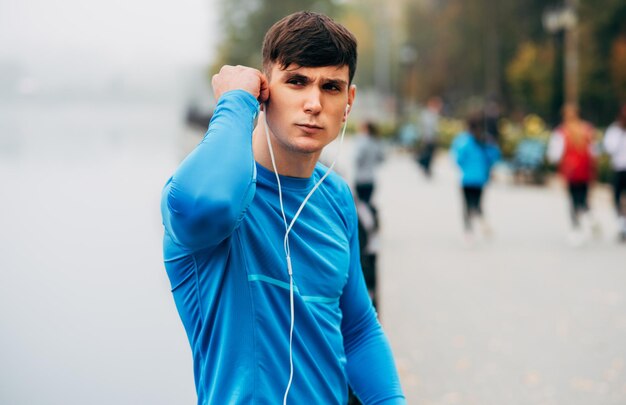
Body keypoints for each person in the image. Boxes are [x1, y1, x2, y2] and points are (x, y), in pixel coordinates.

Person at [160, 11, 405, 404]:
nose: (313, 103)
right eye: (296, 81)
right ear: (264, 90)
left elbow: (358, 329)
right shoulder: (216, 193)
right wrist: (235, 101)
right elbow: (204, 207)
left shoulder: (337, 197)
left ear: (349, 102)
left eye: (331, 87)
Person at [547, 103, 599, 245]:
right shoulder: (587, 129)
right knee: (583, 196)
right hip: (585, 170)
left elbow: (555, 154)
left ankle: (577, 227)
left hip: (570, 171)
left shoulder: (561, 131)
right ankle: (589, 216)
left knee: (573, 200)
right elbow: (595, 151)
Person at [450, 113, 501, 241]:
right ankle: (481, 219)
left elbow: (459, 158)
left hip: (467, 178)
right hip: (481, 178)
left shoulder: (463, 140)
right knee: (478, 203)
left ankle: (468, 231)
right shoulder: (487, 140)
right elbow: (494, 156)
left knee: (467, 205)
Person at [354, 120, 384, 229]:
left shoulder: (362, 142)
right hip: (371, 178)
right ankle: (373, 223)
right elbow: (381, 158)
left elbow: (357, 158)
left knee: (362, 205)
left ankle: (367, 227)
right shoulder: (376, 142)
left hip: (361, 178)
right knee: (367, 202)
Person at [603, 103, 626, 242]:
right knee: (617, 199)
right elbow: (609, 148)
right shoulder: (614, 131)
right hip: (618, 169)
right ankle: (621, 226)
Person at [417, 96, 442, 177]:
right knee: (428, 154)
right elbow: (426, 127)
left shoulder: (434, 114)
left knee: (430, 154)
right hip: (429, 137)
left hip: (432, 137)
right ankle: (424, 166)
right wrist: (426, 137)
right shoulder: (427, 114)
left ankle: (427, 168)